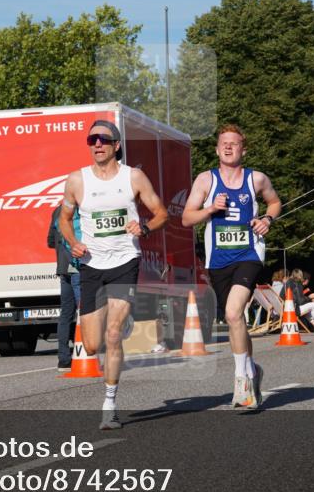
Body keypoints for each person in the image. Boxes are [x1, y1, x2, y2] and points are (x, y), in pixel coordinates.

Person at [59, 119, 168, 430]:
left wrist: (144, 227)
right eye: (92, 139)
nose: (97, 144)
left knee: (112, 334)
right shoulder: (76, 180)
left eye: (103, 140)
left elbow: (161, 213)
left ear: (116, 145)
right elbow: (65, 219)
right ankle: (117, 329)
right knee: (92, 345)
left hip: (124, 262)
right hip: (92, 266)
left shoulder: (132, 176)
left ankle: (110, 403)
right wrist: (73, 242)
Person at [182, 123, 280, 411]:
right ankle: (252, 370)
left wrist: (267, 221)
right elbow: (187, 218)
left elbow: (274, 203)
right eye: (223, 143)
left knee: (233, 311)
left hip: (249, 254)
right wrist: (211, 209)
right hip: (218, 260)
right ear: (216, 149)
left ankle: (241, 381)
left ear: (243, 149)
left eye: (234, 143)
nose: (228, 147)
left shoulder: (257, 179)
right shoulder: (205, 180)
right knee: (235, 320)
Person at [48, 204, 81, 372]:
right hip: (78, 265)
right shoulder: (82, 208)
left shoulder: (58, 210)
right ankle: (84, 354)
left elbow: (50, 241)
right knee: (84, 311)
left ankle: (63, 359)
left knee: (66, 313)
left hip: (63, 267)